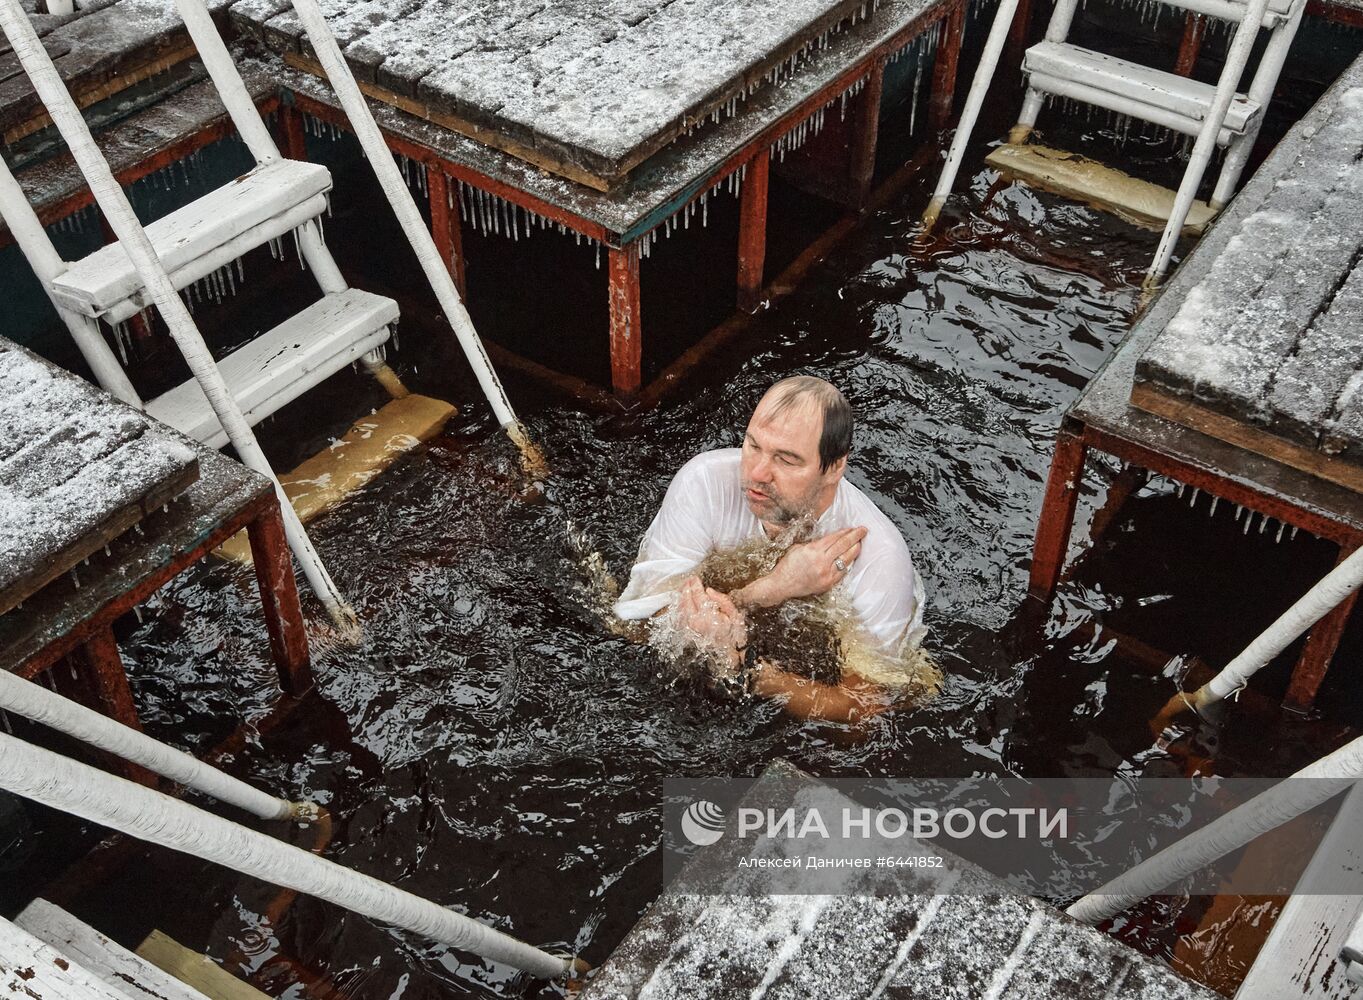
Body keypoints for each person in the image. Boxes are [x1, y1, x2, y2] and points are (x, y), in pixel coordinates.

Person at [614, 376, 928, 722]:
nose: (757, 473)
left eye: (787, 460)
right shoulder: (704, 483)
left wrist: (751, 672)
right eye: (753, 446)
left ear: (835, 466)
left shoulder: (879, 558)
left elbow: (864, 711)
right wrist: (767, 590)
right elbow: (638, 622)